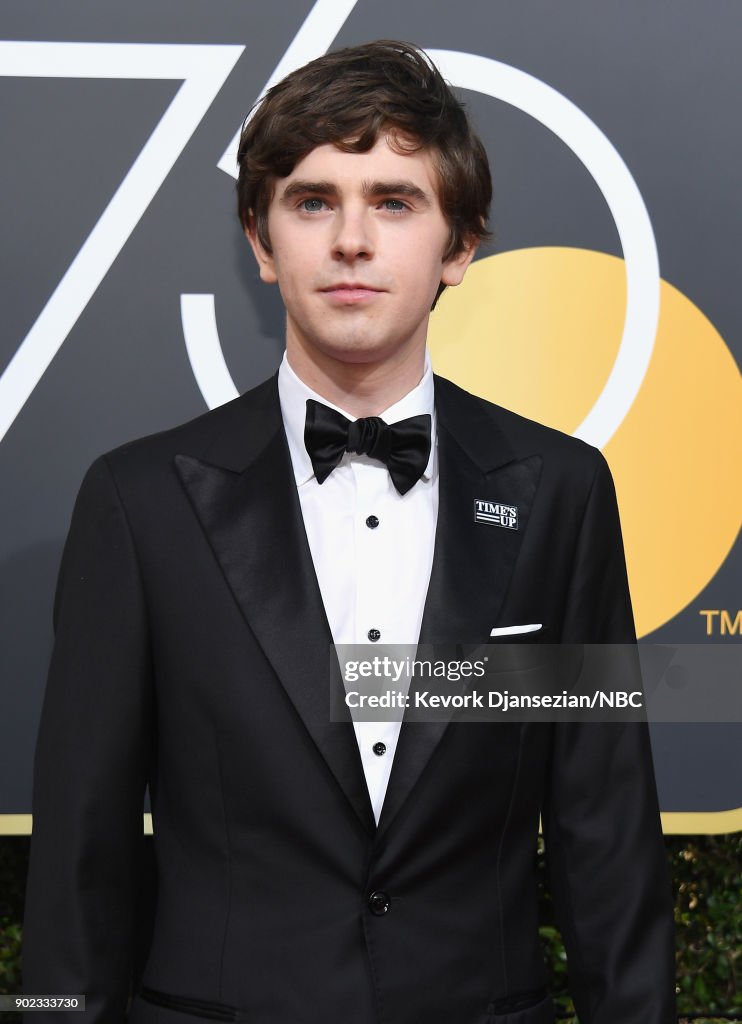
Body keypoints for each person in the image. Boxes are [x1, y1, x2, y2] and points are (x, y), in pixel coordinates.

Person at [23, 40, 675, 1024]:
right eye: (313, 200)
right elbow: (81, 854)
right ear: (260, 238)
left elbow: (606, 833)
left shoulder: (560, 493)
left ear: (459, 246)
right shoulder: (138, 500)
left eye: (395, 201)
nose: (351, 240)